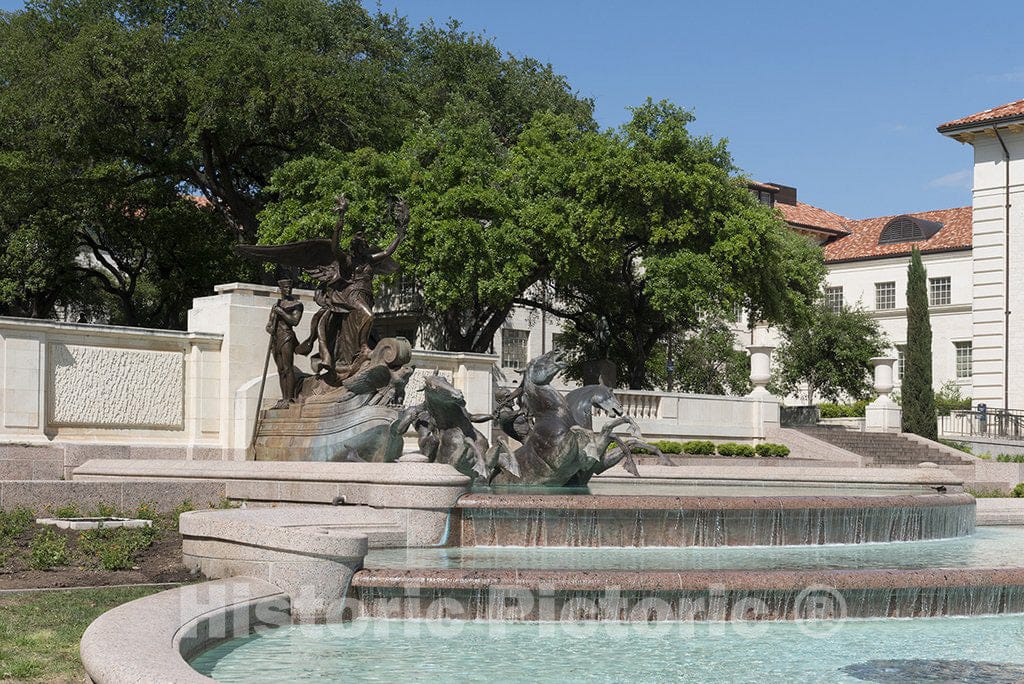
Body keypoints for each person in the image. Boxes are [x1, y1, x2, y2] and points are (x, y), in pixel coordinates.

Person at [267, 279, 303, 406]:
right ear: (280, 289)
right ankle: (284, 398)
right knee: (281, 370)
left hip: (287, 337)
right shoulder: (276, 305)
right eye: (285, 288)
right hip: (275, 339)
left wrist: (281, 312)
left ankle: (290, 397)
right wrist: (270, 328)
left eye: (290, 287)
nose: (288, 290)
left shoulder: (296, 304)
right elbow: (269, 324)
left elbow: (294, 321)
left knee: (288, 368)